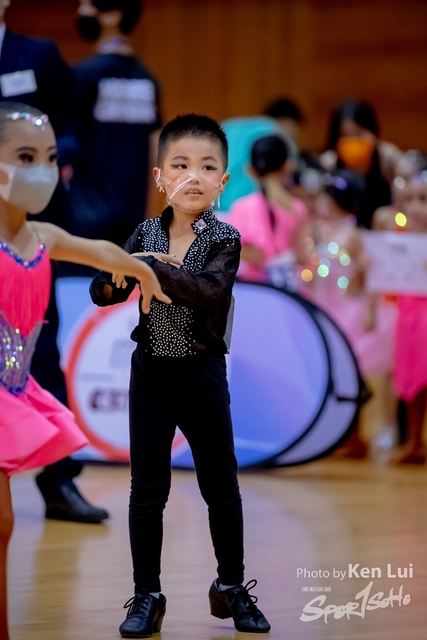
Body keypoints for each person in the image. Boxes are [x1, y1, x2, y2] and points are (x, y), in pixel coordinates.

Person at [90, 113, 271, 637]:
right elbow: (105, 292)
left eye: (207, 167)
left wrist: (151, 267)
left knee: (221, 486)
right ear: (159, 177)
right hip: (150, 374)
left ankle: (231, 586)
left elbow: (207, 292)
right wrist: (115, 277)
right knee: (147, 490)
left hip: (201, 374)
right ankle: (147, 594)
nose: (194, 176)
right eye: (181, 165)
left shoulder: (224, 238)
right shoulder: (144, 233)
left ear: (224, 181)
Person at [0, 101, 170, 640]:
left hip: (15, 393)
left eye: (51, 158)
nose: (43, 171)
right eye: (26, 157)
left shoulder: (42, 237)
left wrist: (144, 270)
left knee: (2, 526)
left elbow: (98, 251)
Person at [0, 0, 111, 522]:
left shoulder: (39, 55)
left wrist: (39, 161)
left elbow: (73, 126)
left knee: (37, 346)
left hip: (28, 227)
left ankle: (60, 481)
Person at [305, 168, 398, 457]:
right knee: (332, 374)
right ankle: (336, 433)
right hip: (326, 307)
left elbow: (371, 276)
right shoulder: (319, 230)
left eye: (326, 197)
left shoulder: (354, 235)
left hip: (348, 310)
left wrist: (370, 310)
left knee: (352, 374)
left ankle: (355, 435)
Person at [69, 0, 162, 247]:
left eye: (88, 5)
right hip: (133, 214)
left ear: (113, 15)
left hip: (85, 214)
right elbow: (157, 150)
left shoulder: (82, 75)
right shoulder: (148, 79)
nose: (81, 12)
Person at [227, 134, 308, 289]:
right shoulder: (297, 208)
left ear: (250, 170)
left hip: (254, 291)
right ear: (288, 166)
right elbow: (303, 257)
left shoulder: (241, 208)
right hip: (289, 292)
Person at [390, 166, 427, 464]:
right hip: (408, 314)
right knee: (413, 379)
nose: (415, 207)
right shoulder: (399, 239)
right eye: (410, 199)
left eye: (423, 199)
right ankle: (414, 442)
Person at [320, 99, 403, 229]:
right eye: (345, 135)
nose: (353, 140)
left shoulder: (389, 159)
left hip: (383, 232)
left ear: (373, 132)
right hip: (341, 233)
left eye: (358, 133)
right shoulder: (328, 163)